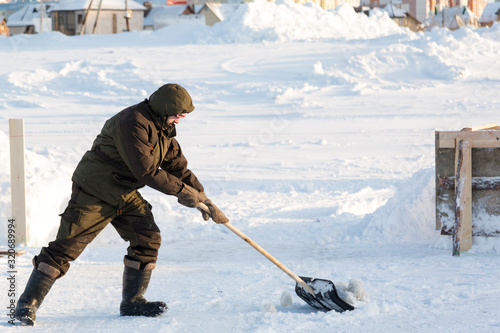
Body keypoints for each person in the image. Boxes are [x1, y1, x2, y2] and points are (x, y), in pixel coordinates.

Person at [14, 83, 228, 326]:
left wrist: (203, 197)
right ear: (166, 108)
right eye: (179, 115)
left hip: (124, 191)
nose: (180, 120)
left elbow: (177, 167)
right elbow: (146, 171)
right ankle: (26, 305)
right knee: (67, 246)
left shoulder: (163, 127)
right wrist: (183, 193)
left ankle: (133, 301)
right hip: (96, 189)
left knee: (147, 237)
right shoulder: (132, 122)